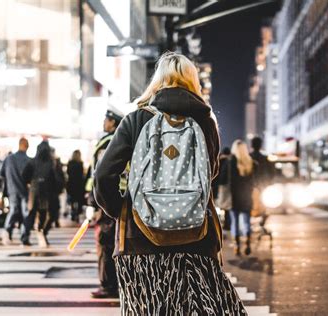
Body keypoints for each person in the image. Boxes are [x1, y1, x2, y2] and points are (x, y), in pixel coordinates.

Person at [93, 52, 245, 315]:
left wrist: (123, 210)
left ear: (157, 81)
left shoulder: (136, 120)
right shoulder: (206, 121)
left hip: (140, 241)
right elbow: (211, 174)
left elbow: (103, 175)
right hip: (196, 239)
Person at [85, 106, 123, 299]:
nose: (104, 122)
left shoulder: (109, 143)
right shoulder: (118, 141)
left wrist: (92, 201)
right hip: (114, 197)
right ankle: (113, 283)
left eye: (106, 119)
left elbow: (101, 174)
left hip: (106, 200)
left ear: (113, 122)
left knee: (105, 242)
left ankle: (108, 284)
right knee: (112, 241)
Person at [22, 140, 57, 248]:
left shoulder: (32, 162)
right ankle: (41, 231)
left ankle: (25, 237)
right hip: (45, 191)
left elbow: (24, 175)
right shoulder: (51, 163)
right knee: (43, 213)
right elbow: (54, 180)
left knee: (31, 213)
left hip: (34, 189)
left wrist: (29, 183)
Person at [0, 138, 31, 246]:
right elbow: (30, 178)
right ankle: (24, 237)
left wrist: (10, 178)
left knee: (13, 211)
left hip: (12, 189)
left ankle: (7, 231)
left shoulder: (9, 159)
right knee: (25, 213)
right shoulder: (28, 160)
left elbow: (0, 173)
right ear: (27, 146)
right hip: (24, 190)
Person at [230, 140, 256, 256]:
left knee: (234, 222)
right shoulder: (251, 163)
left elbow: (227, 180)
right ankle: (248, 243)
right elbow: (254, 181)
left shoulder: (231, 162)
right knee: (246, 221)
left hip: (234, 197)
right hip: (247, 196)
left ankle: (237, 246)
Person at [66, 150, 85, 223]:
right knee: (78, 200)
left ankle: (73, 212)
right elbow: (82, 173)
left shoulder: (70, 163)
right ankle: (77, 213)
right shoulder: (80, 163)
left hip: (71, 183)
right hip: (79, 184)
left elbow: (68, 172)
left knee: (72, 199)